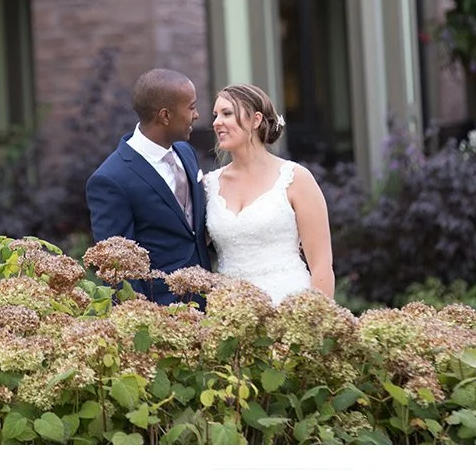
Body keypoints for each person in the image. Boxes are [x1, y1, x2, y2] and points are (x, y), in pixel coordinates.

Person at [85, 67, 210, 304]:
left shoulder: (186, 152)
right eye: (191, 107)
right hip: (163, 313)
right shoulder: (111, 179)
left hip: (209, 303)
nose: (197, 115)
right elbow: (117, 271)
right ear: (165, 116)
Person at [204, 84, 335, 303]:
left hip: (289, 307)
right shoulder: (208, 186)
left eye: (227, 113)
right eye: (216, 115)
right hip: (230, 313)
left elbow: (321, 265)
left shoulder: (296, 179)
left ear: (255, 120)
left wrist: (315, 322)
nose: (217, 122)